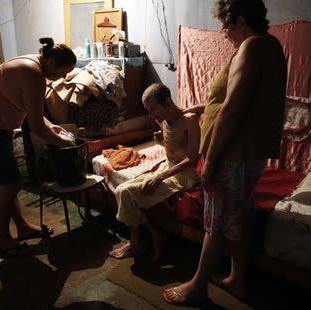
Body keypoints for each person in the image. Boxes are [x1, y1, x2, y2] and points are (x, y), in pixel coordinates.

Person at [163, 0, 287, 305]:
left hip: (232, 152)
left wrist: (212, 158)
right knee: (239, 214)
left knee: (215, 220)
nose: (224, 33)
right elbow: (247, 100)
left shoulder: (250, 47)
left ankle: (197, 285)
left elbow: (232, 110)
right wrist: (205, 107)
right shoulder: (271, 46)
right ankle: (237, 280)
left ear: (241, 21)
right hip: (250, 151)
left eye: (226, 25)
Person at [0, 37, 77, 256]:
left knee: (9, 181)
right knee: (10, 182)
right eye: (63, 73)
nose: (62, 78)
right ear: (52, 63)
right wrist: (65, 142)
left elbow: (36, 115)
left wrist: (55, 128)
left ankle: (22, 228)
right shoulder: (33, 74)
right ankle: (4, 240)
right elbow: (35, 127)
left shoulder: (36, 64)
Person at [109, 83, 200, 262]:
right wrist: (161, 143)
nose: (151, 116)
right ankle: (153, 233)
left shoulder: (189, 120)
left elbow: (192, 160)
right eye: (148, 110)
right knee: (122, 189)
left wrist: (160, 176)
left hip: (184, 177)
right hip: (167, 168)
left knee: (126, 192)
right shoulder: (162, 120)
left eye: (153, 110)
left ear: (167, 102)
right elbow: (173, 149)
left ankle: (137, 242)